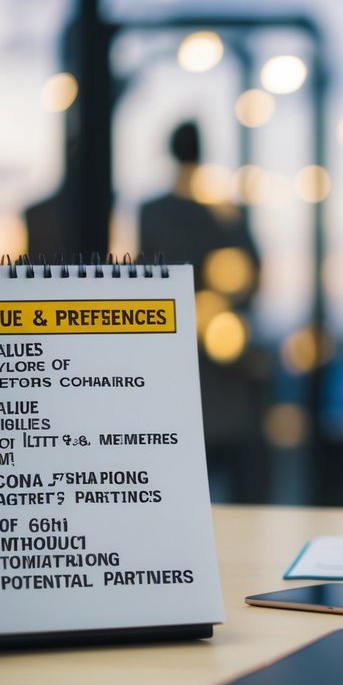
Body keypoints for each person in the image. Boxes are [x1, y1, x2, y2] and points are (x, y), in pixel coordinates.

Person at [139, 120, 267, 501]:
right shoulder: (224, 213)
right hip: (223, 365)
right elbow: (253, 275)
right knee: (238, 482)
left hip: (181, 364)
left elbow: (149, 280)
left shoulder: (154, 213)